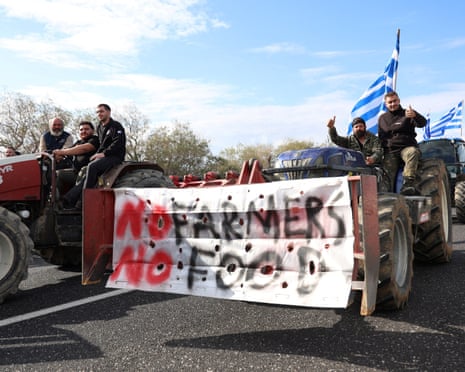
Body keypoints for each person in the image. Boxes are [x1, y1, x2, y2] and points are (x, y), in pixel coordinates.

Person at [62, 104, 126, 209]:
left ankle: (84, 201)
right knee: (88, 169)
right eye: (97, 112)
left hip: (114, 156)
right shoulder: (100, 127)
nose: (99, 114)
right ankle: (69, 199)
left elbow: (118, 143)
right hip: (104, 156)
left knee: (93, 167)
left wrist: (104, 153)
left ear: (108, 112)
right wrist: (98, 154)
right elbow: (102, 144)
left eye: (102, 111)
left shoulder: (116, 126)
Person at [378, 91, 427, 195]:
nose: (392, 104)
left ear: (399, 101)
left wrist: (415, 115)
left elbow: (422, 123)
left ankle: (408, 184)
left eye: (394, 101)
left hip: (406, 147)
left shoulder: (408, 113)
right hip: (391, 151)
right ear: (386, 104)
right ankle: (388, 196)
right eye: (390, 102)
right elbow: (381, 137)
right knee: (385, 173)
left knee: (413, 152)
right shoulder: (382, 118)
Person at [53, 121, 100, 195]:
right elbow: (68, 152)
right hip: (76, 172)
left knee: (82, 173)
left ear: (92, 130)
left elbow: (82, 149)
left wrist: (61, 152)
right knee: (57, 174)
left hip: (88, 173)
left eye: (86, 129)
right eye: (81, 130)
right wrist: (55, 155)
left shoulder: (95, 140)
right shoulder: (78, 142)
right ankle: (55, 201)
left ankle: (75, 201)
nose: (83, 131)